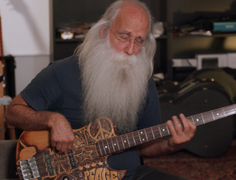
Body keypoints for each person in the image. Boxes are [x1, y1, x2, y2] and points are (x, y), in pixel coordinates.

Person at [5, 0, 196, 179]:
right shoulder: (61, 72)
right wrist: (52, 119)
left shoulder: (143, 81)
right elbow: (12, 113)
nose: (131, 49)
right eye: (124, 37)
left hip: (129, 174)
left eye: (139, 41)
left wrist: (171, 144)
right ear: (104, 32)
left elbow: (145, 147)